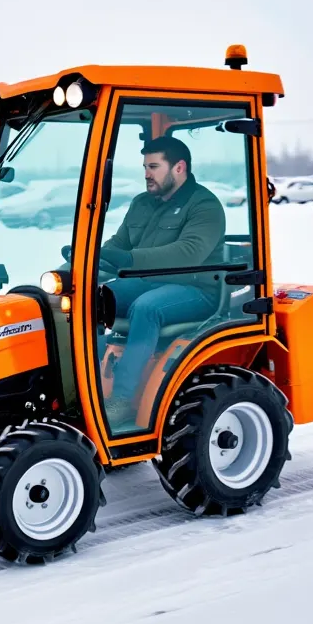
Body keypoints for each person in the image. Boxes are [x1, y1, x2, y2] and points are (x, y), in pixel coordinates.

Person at [98, 135, 226, 428]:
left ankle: (122, 400)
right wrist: (88, 260)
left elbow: (190, 252)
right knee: (93, 299)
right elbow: (119, 244)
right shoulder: (142, 203)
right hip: (148, 283)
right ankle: (88, 382)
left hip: (196, 288)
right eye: (145, 167)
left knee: (147, 308)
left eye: (154, 167)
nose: (146, 174)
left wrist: (130, 259)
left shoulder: (204, 205)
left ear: (179, 167)